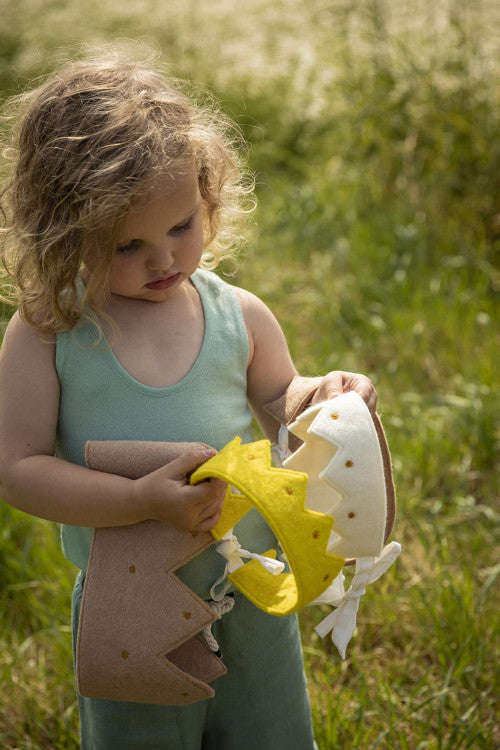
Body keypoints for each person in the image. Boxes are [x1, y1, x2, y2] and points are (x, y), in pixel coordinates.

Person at [0, 53, 377, 750]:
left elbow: (279, 400)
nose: (162, 259)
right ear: (62, 236)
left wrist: (322, 395)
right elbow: (17, 468)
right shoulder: (48, 333)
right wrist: (140, 500)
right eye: (125, 245)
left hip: (255, 586)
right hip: (130, 604)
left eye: (181, 226)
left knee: (271, 735)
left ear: (206, 197)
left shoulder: (239, 314)